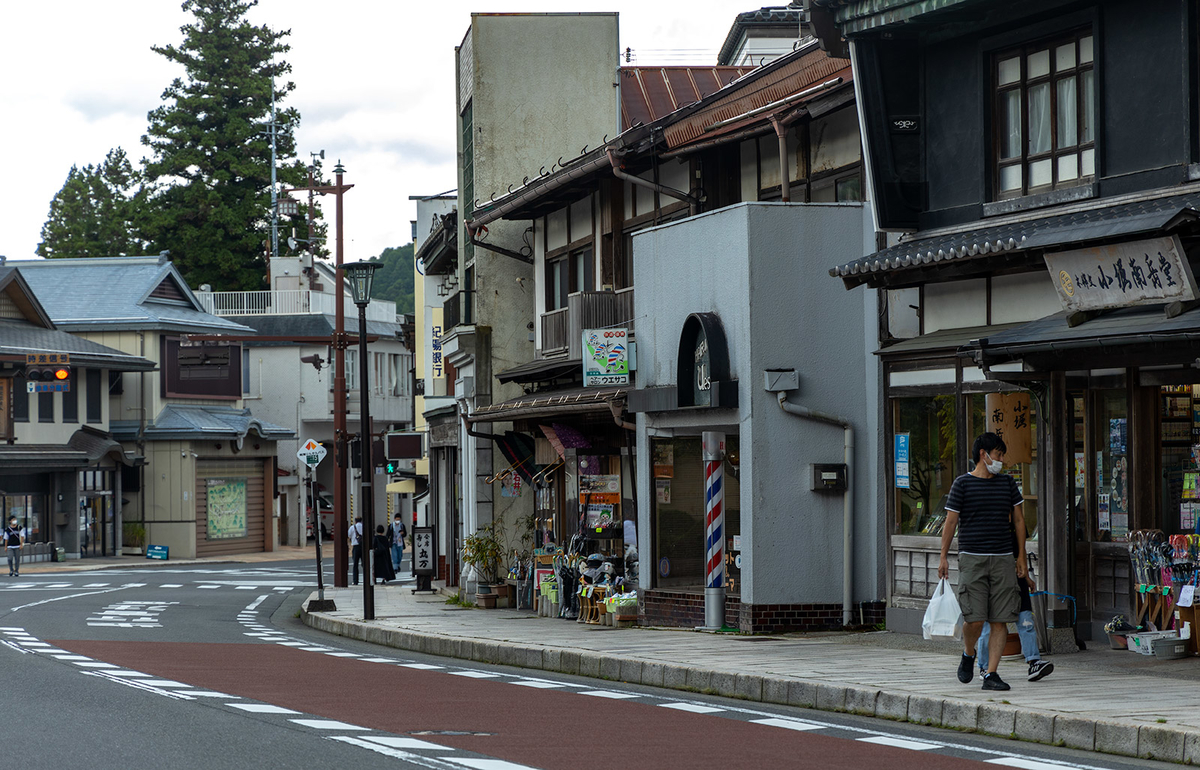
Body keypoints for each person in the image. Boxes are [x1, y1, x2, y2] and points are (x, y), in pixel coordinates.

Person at [938, 432, 1026, 692]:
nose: (1001, 460)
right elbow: (951, 522)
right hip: (972, 558)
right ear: (983, 454)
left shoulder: (1007, 483)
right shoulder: (962, 484)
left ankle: (991, 674)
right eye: (998, 455)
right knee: (974, 619)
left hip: (1002, 558)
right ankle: (968, 653)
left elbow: (1019, 521)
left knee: (1000, 619)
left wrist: (1020, 555)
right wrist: (943, 556)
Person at [977, 570, 1054, 682]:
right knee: (990, 627)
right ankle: (985, 667)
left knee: (1026, 623)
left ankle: (1034, 662)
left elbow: (1021, 554)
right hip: (994, 580)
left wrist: (1026, 577)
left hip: (1017, 579)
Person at [349, 515, 364, 586]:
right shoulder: (364, 526)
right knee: (365, 564)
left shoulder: (352, 527)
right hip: (363, 547)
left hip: (355, 547)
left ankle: (355, 581)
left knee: (355, 564)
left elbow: (349, 535)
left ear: (355, 521)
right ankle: (367, 579)